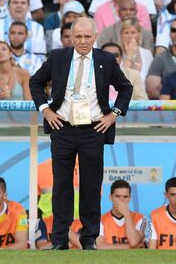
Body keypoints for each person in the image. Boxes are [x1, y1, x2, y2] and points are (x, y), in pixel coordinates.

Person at [29, 17, 133, 250]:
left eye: (87, 36)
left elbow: (126, 87)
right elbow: (35, 82)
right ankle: (59, 241)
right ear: (71, 37)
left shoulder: (106, 59)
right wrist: (45, 110)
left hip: (94, 130)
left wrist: (114, 113)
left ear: (95, 36)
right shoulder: (58, 57)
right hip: (62, 128)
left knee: (90, 186)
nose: (83, 41)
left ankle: (89, 240)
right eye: (78, 36)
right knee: (62, 187)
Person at [96, 179, 147, 249]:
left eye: (125, 197)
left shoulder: (141, 219)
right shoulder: (100, 220)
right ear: (110, 197)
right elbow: (100, 246)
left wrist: (127, 215)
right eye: (117, 196)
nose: (121, 200)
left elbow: (134, 241)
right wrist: (130, 247)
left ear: (130, 198)